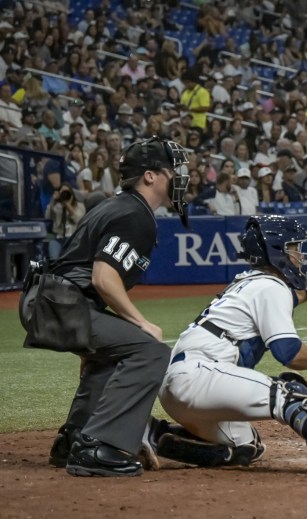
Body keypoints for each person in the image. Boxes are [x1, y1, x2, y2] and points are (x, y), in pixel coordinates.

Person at [140, 214, 307, 475]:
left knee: (244, 447)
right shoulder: (270, 286)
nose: (298, 254)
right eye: (293, 247)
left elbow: (303, 292)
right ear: (275, 250)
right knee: (289, 393)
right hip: (199, 377)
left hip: (185, 385)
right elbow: (289, 353)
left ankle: (154, 435)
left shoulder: (255, 282)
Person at [21, 137, 190, 476]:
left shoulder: (121, 205)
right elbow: (103, 277)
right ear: (150, 176)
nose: (179, 179)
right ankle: (101, 446)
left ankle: (74, 440)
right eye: (172, 171)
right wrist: (141, 322)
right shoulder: (135, 214)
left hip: (56, 299)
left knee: (116, 352)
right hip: (62, 302)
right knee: (150, 350)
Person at [44, 184, 86, 258]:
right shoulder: (56, 206)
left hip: (73, 238)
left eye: (67, 192)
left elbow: (78, 219)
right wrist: (52, 201)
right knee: (53, 259)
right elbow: (48, 217)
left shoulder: (79, 206)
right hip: (58, 237)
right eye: (62, 192)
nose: (65, 194)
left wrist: (68, 205)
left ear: (72, 194)